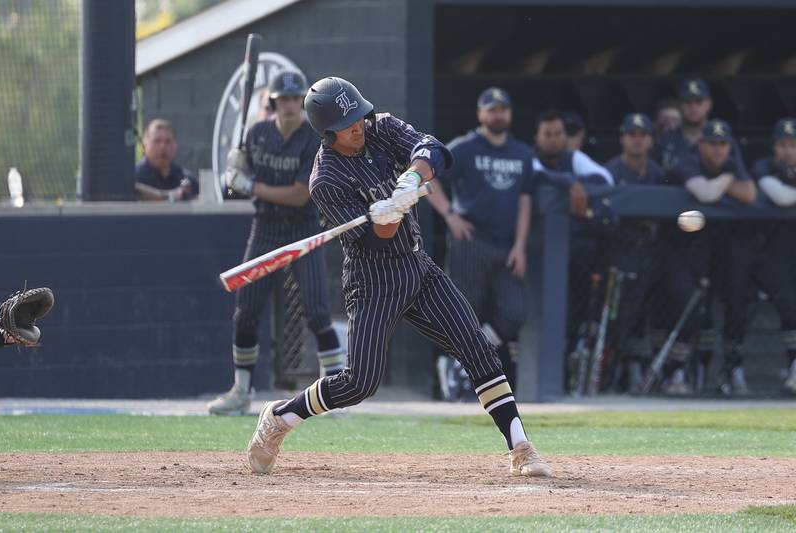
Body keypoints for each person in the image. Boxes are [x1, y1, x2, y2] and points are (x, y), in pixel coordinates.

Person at [246, 76, 552, 478]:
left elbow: (433, 150)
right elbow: (374, 243)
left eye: (358, 117)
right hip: (373, 279)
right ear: (327, 133)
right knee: (360, 382)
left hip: (417, 266)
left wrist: (412, 178)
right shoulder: (325, 180)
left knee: (477, 348)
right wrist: (388, 217)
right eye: (348, 124)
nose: (359, 126)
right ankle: (281, 416)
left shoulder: (380, 128)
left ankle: (521, 447)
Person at [208, 71, 347, 415]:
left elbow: (300, 196)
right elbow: (234, 184)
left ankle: (336, 391)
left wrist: (249, 184)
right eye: (282, 99)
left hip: (302, 229)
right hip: (265, 228)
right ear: (273, 102)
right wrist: (234, 170)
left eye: (294, 99)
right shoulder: (257, 134)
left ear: (302, 101)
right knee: (246, 314)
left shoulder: (311, 140)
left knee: (316, 313)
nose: (288, 105)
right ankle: (241, 391)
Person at [425, 87, 534, 390]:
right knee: (463, 312)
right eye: (491, 109)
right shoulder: (465, 147)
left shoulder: (522, 153)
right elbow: (427, 176)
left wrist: (521, 245)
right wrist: (449, 214)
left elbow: (526, 200)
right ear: (480, 115)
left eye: (502, 109)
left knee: (514, 312)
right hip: (471, 241)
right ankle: (451, 370)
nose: (497, 114)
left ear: (509, 114)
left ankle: (464, 361)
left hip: (507, 246)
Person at [664, 119, 756, 395]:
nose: (718, 150)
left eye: (723, 144)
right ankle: (676, 371)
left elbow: (750, 194)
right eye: (712, 144)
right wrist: (729, 180)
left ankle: (729, 370)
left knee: (736, 300)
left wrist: (726, 178)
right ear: (701, 145)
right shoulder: (687, 161)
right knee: (688, 306)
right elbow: (705, 193)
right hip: (681, 249)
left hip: (720, 247)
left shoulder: (732, 162)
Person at [530, 110, 614, 388]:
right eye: (547, 135)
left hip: (574, 257)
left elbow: (605, 181)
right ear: (537, 138)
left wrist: (577, 184)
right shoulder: (527, 158)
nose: (553, 140)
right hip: (532, 255)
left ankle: (569, 369)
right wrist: (569, 183)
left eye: (558, 135)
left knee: (574, 315)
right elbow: (536, 175)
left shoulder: (574, 159)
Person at [604, 114, 667, 393]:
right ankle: (612, 371)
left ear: (651, 139)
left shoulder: (657, 173)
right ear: (623, 138)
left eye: (643, 134)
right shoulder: (610, 171)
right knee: (618, 317)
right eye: (632, 134)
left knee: (645, 314)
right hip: (616, 255)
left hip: (650, 255)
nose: (637, 139)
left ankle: (635, 368)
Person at [750, 118, 796, 394]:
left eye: (793, 145)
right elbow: (779, 197)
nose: (788, 151)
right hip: (772, 253)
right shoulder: (764, 166)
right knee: (790, 307)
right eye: (782, 145)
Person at [653, 79, 746, 175]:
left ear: (709, 104)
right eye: (687, 102)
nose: (693, 107)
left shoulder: (723, 140)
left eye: (699, 102)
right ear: (680, 105)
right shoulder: (665, 140)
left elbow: (741, 177)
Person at [135, 119, 199, 202]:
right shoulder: (134, 177)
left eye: (168, 141)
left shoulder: (184, 178)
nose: (163, 147)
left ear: (175, 145)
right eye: (157, 141)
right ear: (144, 145)